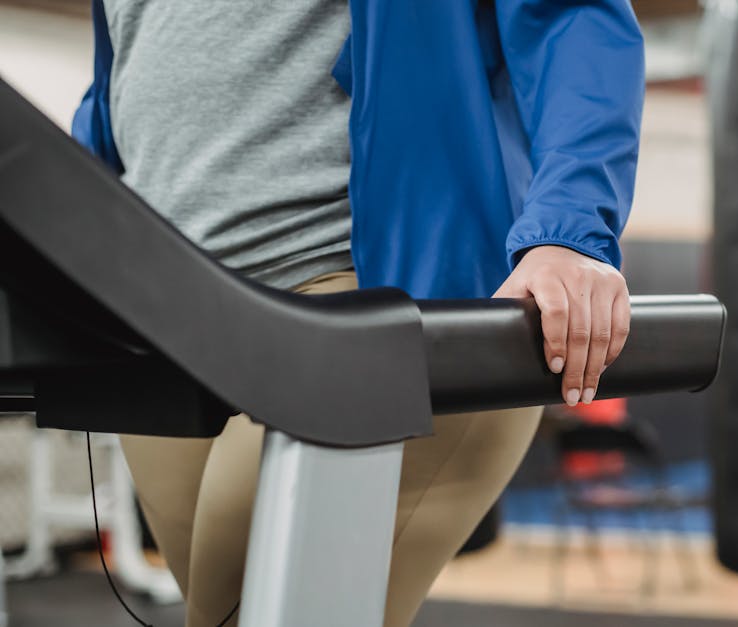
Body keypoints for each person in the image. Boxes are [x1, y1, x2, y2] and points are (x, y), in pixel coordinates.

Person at [72, 1, 644, 625]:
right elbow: (125, 71)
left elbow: (570, 16)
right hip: (163, 313)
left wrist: (569, 229)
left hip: (364, 295)